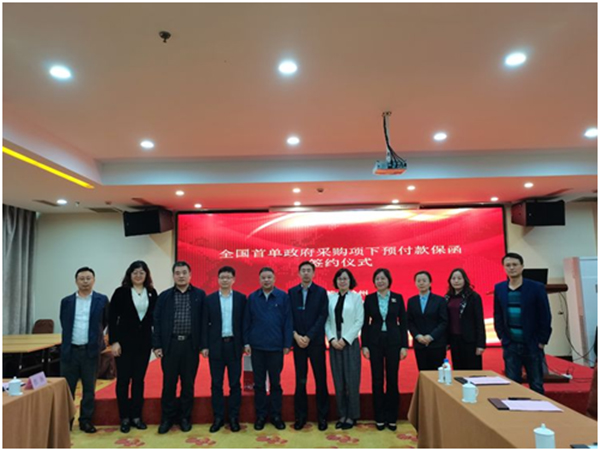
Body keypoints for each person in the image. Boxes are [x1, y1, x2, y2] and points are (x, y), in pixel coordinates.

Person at [152, 261, 205, 434]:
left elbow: (205, 322)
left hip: (190, 345)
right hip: (170, 345)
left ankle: (185, 418)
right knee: (169, 384)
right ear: (173, 276)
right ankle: (167, 418)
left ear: (190, 275)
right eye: (177, 273)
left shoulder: (199, 295)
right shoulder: (164, 296)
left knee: (188, 384)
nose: (181, 276)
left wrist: (203, 345)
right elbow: (156, 322)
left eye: (184, 273)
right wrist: (157, 345)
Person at [108, 261, 158, 433]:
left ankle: (136, 416)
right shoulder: (120, 292)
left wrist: (156, 343)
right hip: (123, 344)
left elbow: (155, 319)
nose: (138, 275)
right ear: (129, 274)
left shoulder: (151, 292)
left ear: (146, 275)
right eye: (135, 272)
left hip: (143, 344)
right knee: (123, 380)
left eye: (142, 272)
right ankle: (124, 417)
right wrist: (114, 341)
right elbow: (112, 318)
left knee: (138, 380)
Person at [59, 267, 109, 433]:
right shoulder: (66, 301)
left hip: (90, 351)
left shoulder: (102, 300)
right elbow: (64, 323)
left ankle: (85, 420)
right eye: (82, 278)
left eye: (88, 278)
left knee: (89, 389)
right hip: (70, 351)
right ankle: (66, 421)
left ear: (94, 280)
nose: (85, 282)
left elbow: (105, 321)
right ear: (76, 281)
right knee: (67, 389)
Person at [494, 252, 552, 394]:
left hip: (532, 343)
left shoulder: (536, 287)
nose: (511, 268)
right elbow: (498, 315)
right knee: (513, 385)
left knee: (536, 384)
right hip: (511, 344)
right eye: (508, 265)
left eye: (515, 264)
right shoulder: (499, 288)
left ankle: (538, 408)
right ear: (504, 268)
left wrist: (542, 340)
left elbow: (545, 315)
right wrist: (502, 337)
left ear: (522, 267)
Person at [243, 267, 293, 431]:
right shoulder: (252, 298)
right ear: (259, 280)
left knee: (275, 383)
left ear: (274, 279)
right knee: (259, 384)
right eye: (263, 277)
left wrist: (287, 344)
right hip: (257, 347)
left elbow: (288, 321)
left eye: (269, 277)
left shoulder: (283, 297)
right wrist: (246, 342)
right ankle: (261, 415)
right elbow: (246, 321)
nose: (266, 280)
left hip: (276, 347)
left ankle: (276, 415)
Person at [200, 266, 247, 433]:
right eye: (222, 277)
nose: (225, 280)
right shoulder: (209, 299)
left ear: (234, 280)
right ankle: (218, 418)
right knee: (216, 384)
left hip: (234, 346)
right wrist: (204, 345)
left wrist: (245, 343)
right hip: (216, 346)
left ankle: (234, 417)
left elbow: (244, 323)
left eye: (228, 277)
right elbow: (204, 324)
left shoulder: (241, 298)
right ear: (218, 280)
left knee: (235, 384)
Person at [361, 268, 408, 431]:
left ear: (389, 281)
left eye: (383, 278)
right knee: (377, 379)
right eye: (377, 279)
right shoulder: (369, 299)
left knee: (392, 379)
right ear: (374, 282)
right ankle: (379, 417)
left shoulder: (397, 298)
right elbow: (365, 324)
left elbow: (403, 323)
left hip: (394, 342)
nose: (380, 281)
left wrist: (404, 345)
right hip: (375, 342)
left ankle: (392, 416)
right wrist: (364, 345)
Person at [288, 261, 329, 431]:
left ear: (314, 273)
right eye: (303, 270)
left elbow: (323, 316)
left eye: (309, 270)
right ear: (298, 273)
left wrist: (309, 336)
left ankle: (322, 417)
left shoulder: (321, 292)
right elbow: (288, 316)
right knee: (300, 380)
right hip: (298, 343)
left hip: (316, 343)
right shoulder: (292, 292)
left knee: (320, 380)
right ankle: (300, 417)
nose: (306, 273)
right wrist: (296, 336)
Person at [325, 268, 364, 430]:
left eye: (345, 279)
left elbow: (359, 321)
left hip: (350, 342)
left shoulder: (356, 297)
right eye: (339, 279)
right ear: (336, 281)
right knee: (338, 380)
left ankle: (352, 415)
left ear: (350, 281)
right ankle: (342, 414)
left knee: (352, 379)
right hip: (334, 342)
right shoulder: (330, 298)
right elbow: (327, 320)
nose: (342, 281)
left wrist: (346, 339)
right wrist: (332, 339)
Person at [445, 268, 486, 370]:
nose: (456, 281)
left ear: (465, 280)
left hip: (470, 340)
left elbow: (479, 321)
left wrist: (481, 344)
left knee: (473, 371)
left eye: (459, 278)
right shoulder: (447, 298)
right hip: (454, 340)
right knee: (458, 370)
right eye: (453, 278)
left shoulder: (473, 297)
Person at [407, 271, 448, 371]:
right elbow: (410, 322)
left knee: (437, 373)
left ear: (430, 283)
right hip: (419, 344)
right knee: (423, 372)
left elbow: (444, 322)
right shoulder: (411, 301)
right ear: (415, 283)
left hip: (437, 344)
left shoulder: (440, 300)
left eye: (424, 280)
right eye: (418, 281)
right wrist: (418, 336)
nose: (421, 283)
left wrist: (431, 336)